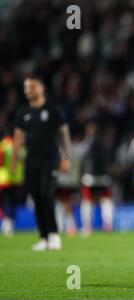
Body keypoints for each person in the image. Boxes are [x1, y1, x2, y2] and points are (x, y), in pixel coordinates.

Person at [11, 77, 71, 251]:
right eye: (25, 87)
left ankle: (54, 235)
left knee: (46, 195)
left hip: (50, 161)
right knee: (36, 198)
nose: (28, 90)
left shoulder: (52, 110)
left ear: (41, 88)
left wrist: (66, 157)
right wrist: (14, 160)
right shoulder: (23, 112)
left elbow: (64, 134)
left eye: (31, 86)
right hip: (31, 162)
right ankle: (43, 237)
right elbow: (18, 137)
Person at [79, 121, 114, 236]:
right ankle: (108, 224)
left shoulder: (86, 144)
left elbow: (83, 159)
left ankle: (87, 227)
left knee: (88, 201)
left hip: (90, 176)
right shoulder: (105, 143)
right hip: (104, 176)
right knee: (106, 200)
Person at [0, 128, 26, 237]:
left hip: (6, 178)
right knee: (12, 203)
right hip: (15, 179)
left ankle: (7, 223)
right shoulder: (20, 145)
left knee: (7, 202)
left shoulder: (4, 144)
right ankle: (8, 223)